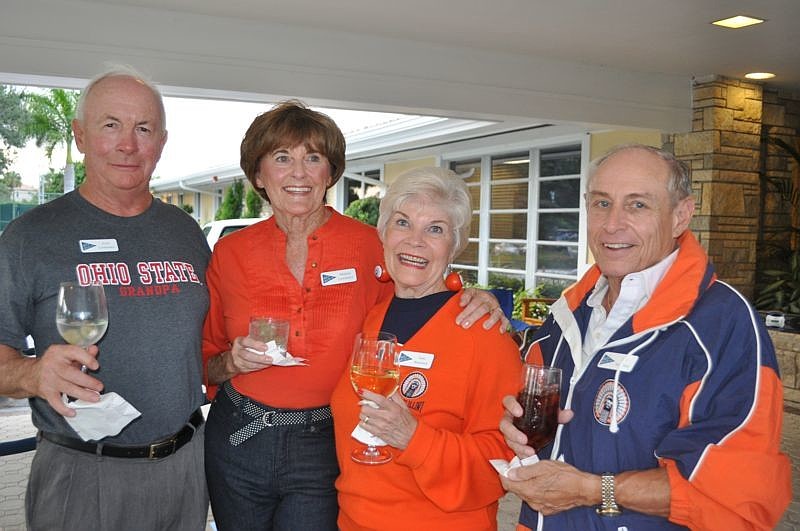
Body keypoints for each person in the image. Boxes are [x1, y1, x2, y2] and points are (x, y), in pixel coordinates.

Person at [201, 101, 507, 530]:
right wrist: (231, 361)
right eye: (282, 158)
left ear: (331, 173)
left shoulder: (370, 246)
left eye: (313, 158)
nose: (299, 173)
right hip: (239, 434)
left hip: (327, 439)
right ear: (258, 175)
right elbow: (207, 361)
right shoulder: (230, 253)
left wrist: (474, 296)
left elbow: (419, 285)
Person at [499, 144, 792, 530]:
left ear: (680, 216)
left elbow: (740, 491)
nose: (612, 224)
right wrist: (516, 429)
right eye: (601, 203)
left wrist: (593, 490)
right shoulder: (566, 314)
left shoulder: (722, 325)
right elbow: (531, 419)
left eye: (638, 205)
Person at [0, 66, 210, 530]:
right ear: (79, 134)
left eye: (143, 128)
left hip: (185, 466)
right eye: (111, 125)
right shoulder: (29, 237)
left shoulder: (186, 233)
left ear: (162, 141)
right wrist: (33, 373)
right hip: (84, 472)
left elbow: (206, 344)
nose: (128, 144)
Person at [330, 166, 522, 530]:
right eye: (403, 223)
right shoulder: (370, 318)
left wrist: (415, 439)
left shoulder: (484, 332)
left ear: (455, 244)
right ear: (383, 233)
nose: (415, 241)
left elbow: (503, 459)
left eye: (435, 229)